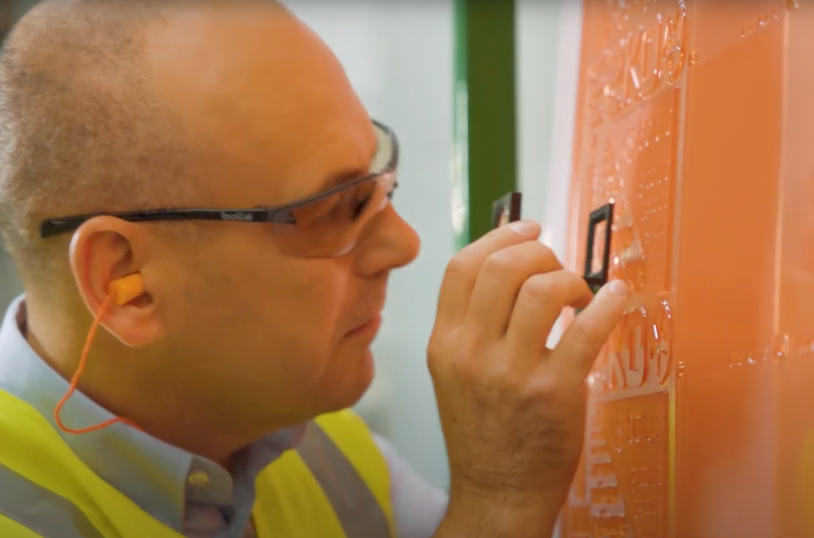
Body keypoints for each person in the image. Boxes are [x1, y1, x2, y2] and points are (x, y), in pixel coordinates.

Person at [0, 1, 629, 537]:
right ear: (125, 285)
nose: (404, 244)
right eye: (334, 209)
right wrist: (499, 499)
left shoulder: (314, 446)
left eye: (377, 182)